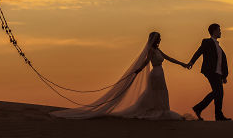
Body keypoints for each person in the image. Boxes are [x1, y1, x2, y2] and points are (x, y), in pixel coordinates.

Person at [51, 32, 186, 120]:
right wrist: (137, 70)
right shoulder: (151, 50)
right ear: (155, 39)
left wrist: (182, 64)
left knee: (159, 93)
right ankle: (159, 111)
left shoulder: (157, 50)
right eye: (159, 38)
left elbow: (168, 58)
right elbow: (146, 62)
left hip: (159, 73)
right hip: (156, 74)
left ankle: (161, 110)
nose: (161, 40)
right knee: (156, 92)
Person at [186, 23, 231, 121]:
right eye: (219, 30)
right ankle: (202, 109)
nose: (220, 32)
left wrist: (224, 76)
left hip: (218, 73)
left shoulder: (219, 47)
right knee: (218, 92)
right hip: (211, 71)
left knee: (219, 93)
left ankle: (216, 114)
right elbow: (199, 52)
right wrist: (191, 62)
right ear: (214, 31)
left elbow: (222, 61)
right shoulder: (207, 42)